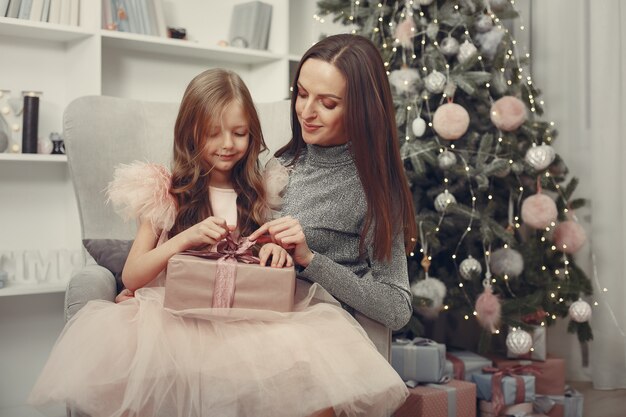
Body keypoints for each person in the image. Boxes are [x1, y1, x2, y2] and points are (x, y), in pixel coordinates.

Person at [28, 68, 408, 417]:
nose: (228, 144)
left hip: (243, 317)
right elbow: (132, 276)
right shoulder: (167, 192)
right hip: (174, 316)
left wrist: (273, 250)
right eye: (213, 132)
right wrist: (185, 239)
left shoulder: (261, 192)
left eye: (240, 133)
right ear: (190, 132)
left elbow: (260, 253)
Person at [250, 33, 418, 332]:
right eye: (302, 94)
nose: (307, 112)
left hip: (314, 332)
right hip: (259, 311)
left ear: (360, 109)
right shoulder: (283, 161)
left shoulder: (374, 189)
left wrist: (310, 259)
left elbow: (397, 308)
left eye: (327, 103)